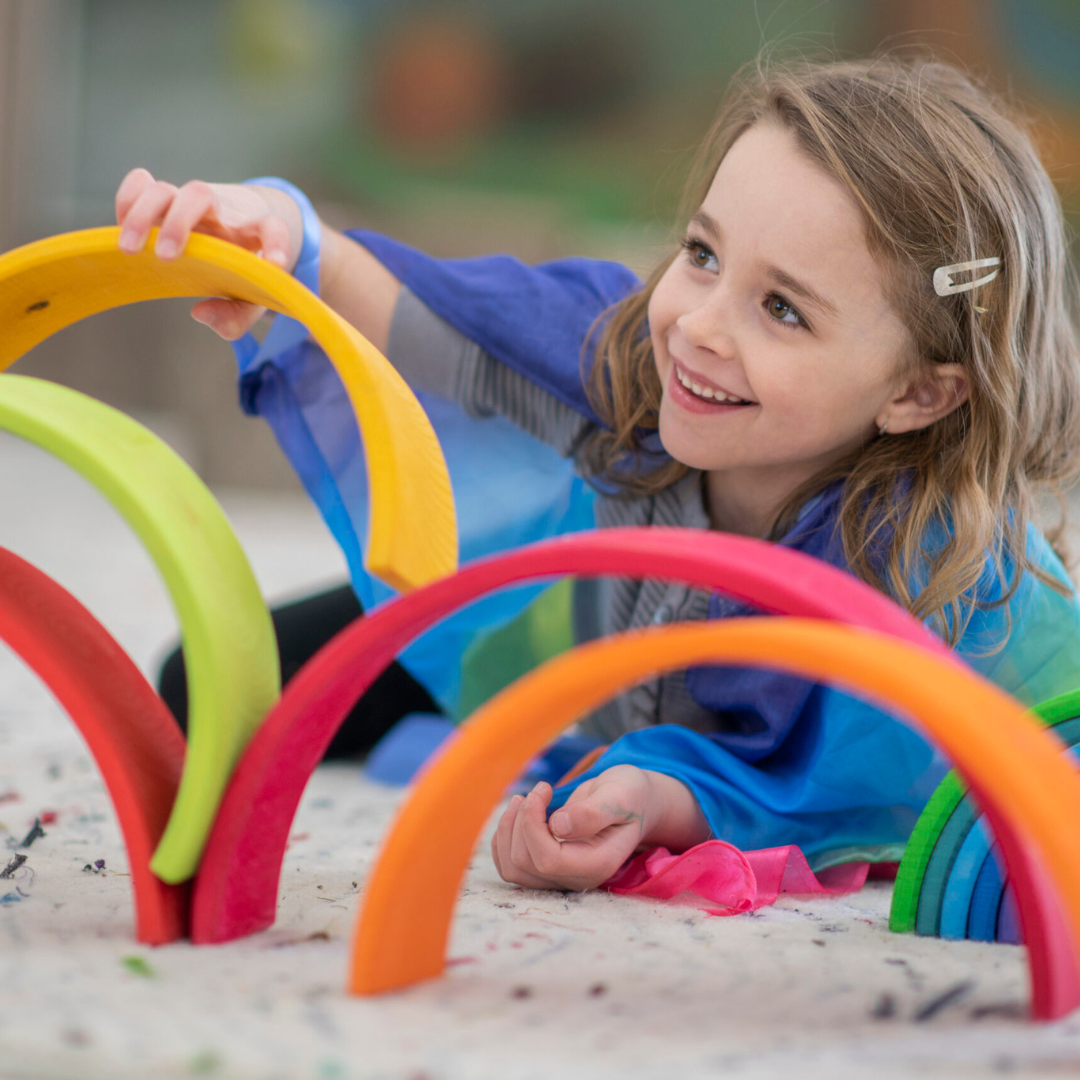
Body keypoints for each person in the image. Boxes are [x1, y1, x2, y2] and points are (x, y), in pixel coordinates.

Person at [114, 54, 1080, 894]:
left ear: (917, 393)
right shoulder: (620, 359)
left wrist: (652, 801)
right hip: (545, 646)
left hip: (668, 739)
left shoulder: (940, 579)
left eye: (782, 310)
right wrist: (278, 232)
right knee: (200, 688)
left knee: (600, 792)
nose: (698, 326)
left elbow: (824, 786)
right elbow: (425, 320)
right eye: (703, 254)